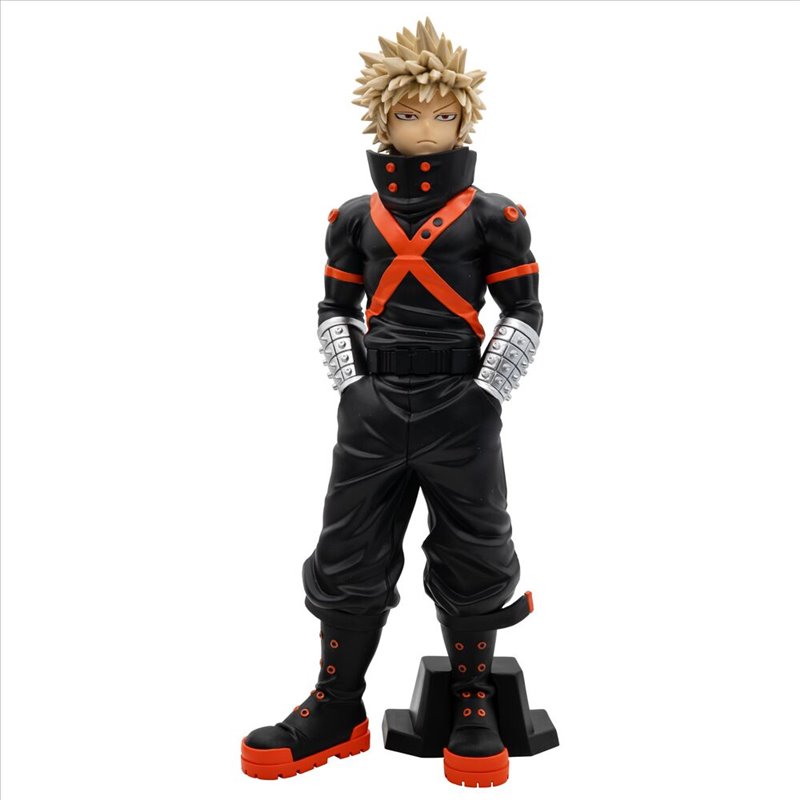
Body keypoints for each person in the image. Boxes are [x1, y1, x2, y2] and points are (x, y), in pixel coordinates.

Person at [241, 19, 543, 788]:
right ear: (383, 120)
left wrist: (486, 394)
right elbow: (334, 309)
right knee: (347, 552)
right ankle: (337, 706)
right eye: (410, 114)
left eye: (444, 114)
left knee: (476, 551)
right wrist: (352, 388)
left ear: (465, 121)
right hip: (373, 407)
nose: (427, 130)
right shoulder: (352, 218)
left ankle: (473, 698)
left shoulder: (495, 217)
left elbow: (524, 312)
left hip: (460, 405)